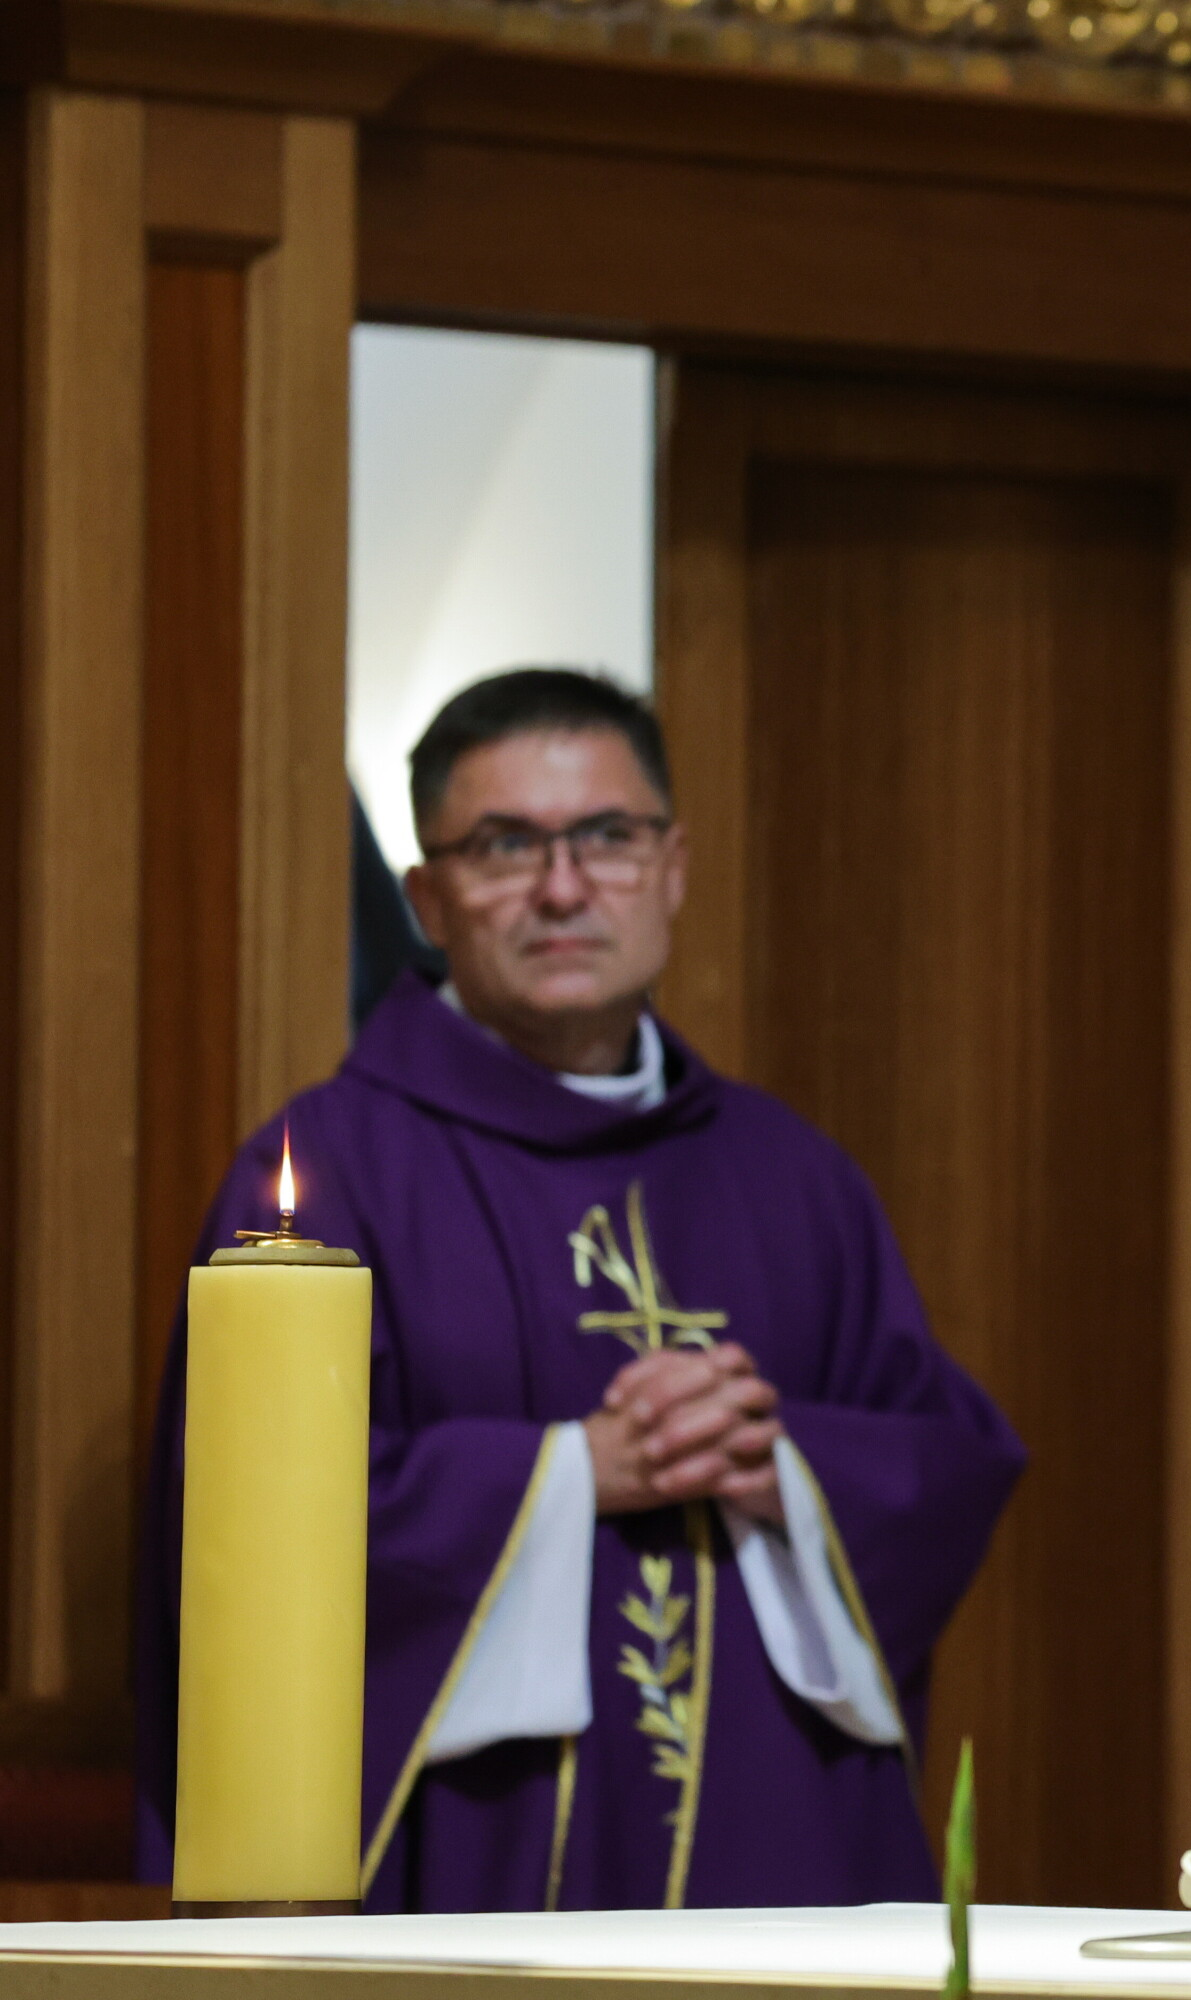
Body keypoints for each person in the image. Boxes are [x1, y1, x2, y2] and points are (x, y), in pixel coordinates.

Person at [135, 670, 1025, 1912]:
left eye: (607, 836)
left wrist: (782, 1464)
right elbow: (244, 1542)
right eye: (505, 845)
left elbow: (941, 1462)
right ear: (427, 898)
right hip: (475, 1855)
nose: (563, 887)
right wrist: (569, 1474)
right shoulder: (332, 1176)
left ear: (672, 867)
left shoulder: (792, 1175)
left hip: (773, 1862)